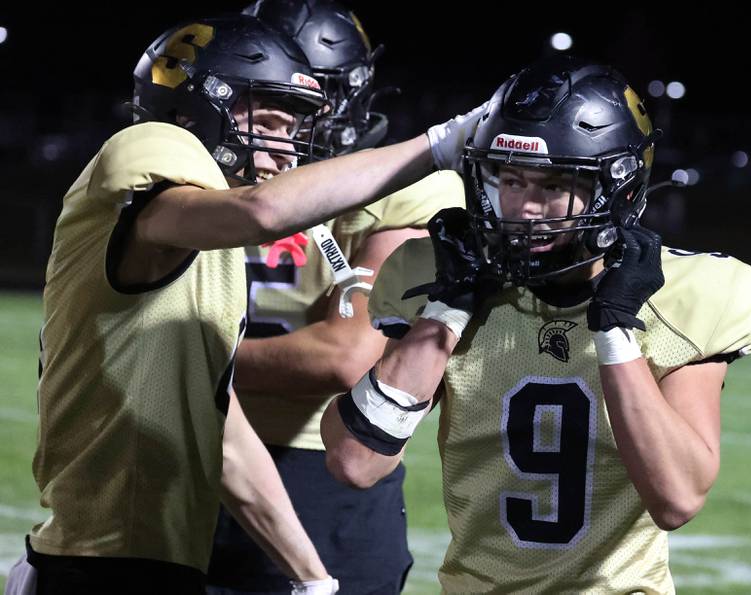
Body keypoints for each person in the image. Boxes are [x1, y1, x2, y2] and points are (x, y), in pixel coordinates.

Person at [22, 12, 482, 595]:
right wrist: (441, 142)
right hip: (102, 561)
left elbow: (221, 425)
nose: (283, 149)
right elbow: (262, 211)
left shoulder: (204, 244)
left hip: (155, 556)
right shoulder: (149, 148)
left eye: (293, 129)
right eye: (267, 120)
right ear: (197, 107)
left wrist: (311, 577)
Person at [320, 56, 751, 593]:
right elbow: (355, 461)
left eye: (553, 185)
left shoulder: (684, 294)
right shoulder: (436, 276)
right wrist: (444, 310)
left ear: (617, 188)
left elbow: (678, 497)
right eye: (510, 179)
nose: (525, 208)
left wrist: (615, 328)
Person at [206, 2, 464, 593]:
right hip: (189, 450)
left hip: (314, 467)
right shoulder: (194, 169)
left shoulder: (403, 190)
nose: (293, 114)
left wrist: (182, 361)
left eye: (307, 96)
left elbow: (346, 356)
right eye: (264, 96)